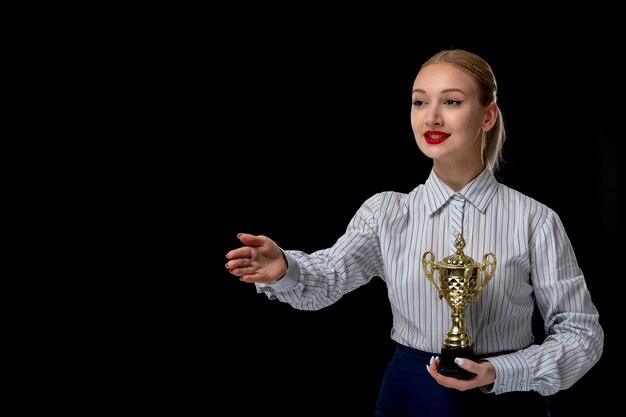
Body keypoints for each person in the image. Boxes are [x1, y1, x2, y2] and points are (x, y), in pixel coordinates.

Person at [224, 49, 604, 417]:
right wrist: (285, 269)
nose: (431, 118)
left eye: (452, 102)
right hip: (409, 397)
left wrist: (500, 372)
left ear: (487, 116)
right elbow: (328, 278)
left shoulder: (535, 220)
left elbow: (581, 335)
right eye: (419, 102)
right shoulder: (386, 213)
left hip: (508, 401)